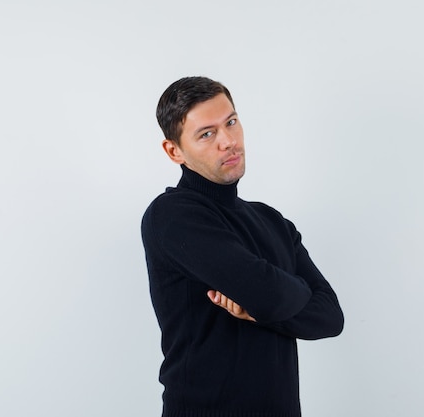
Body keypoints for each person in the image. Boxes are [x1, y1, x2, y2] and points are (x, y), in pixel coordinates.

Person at [141, 76, 344, 417]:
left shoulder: (273, 222)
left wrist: (258, 308)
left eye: (231, 123)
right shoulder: (172, 215)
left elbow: (330, 318)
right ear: (174, 150)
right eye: (207, 133)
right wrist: (281, 295)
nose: (229, 141)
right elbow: (270, 294)